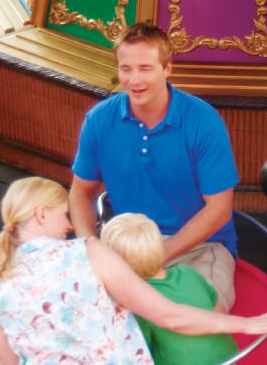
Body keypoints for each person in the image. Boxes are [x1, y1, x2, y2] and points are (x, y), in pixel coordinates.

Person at [0, 178, 267, 363]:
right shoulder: (87, 252)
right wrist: (247, 324)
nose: (70, 226)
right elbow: (169, 315)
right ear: (40, 214)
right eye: (65, 215)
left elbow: (8, 361)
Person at [67, 22, 241, 312]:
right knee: (82, 316)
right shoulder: (98, 120)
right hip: (128, 243)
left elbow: (219, 209)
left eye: (146, 68)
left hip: (199, 247)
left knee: (196, 323)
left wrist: (158, 255)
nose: (135, 80)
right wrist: (90, 246)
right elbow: (80, 193)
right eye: (126, 69)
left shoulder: (203, 122)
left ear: (167, 68)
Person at [101, 214, 240, 364]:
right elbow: (217, 310)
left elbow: (138, 351)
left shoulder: (135, 301)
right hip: (229, 358)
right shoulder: (188, 273)